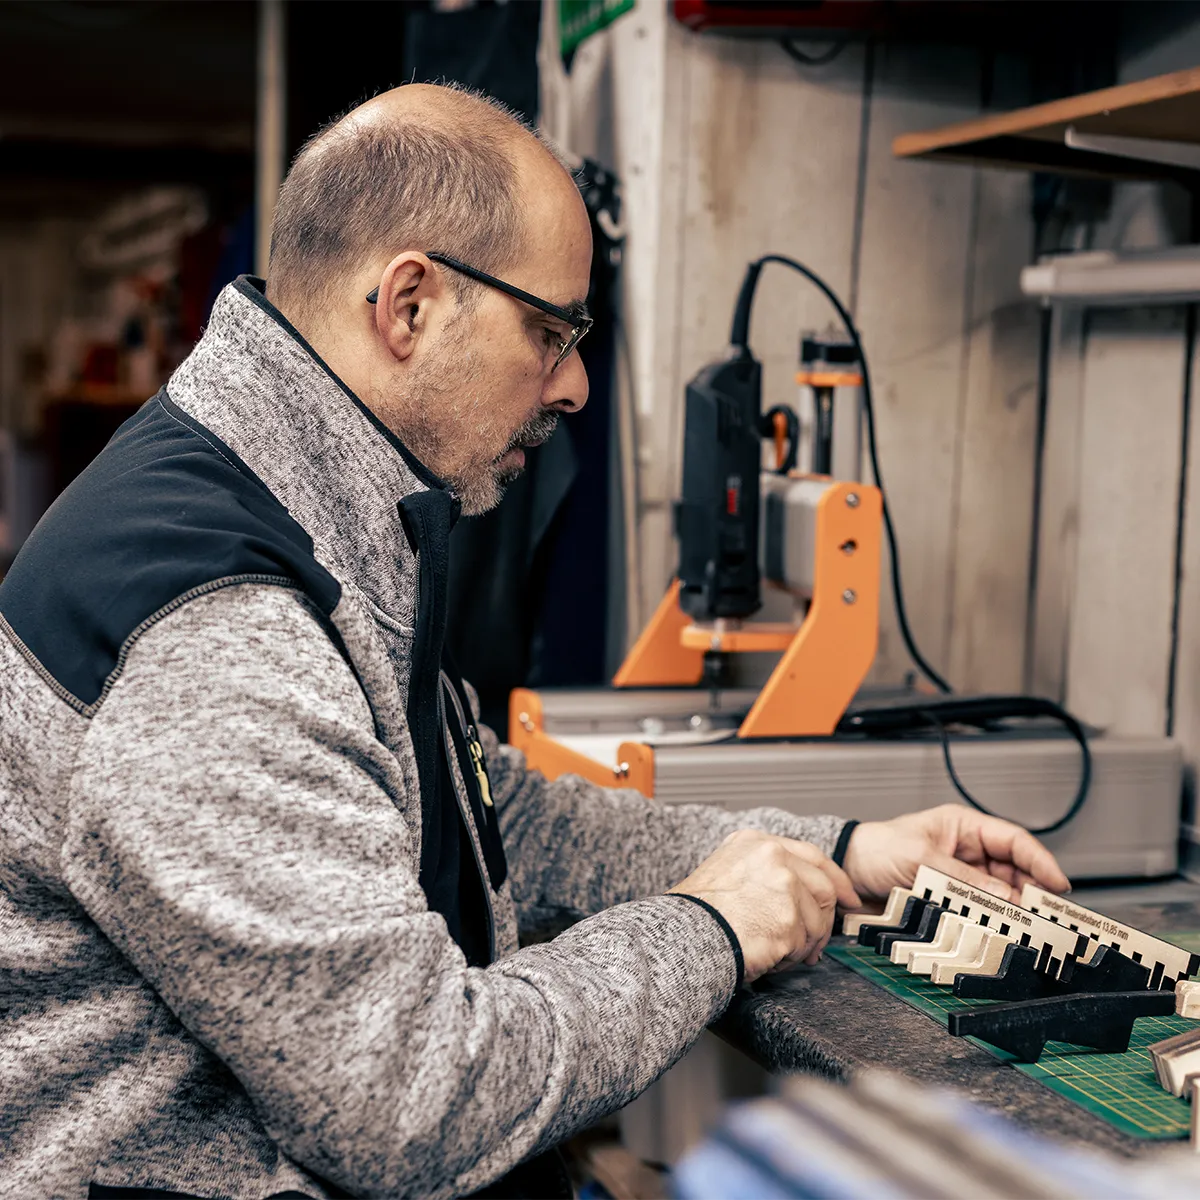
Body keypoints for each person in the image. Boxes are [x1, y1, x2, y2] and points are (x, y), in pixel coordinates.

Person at [0, 84, 1069, 1200]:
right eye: (549, 332)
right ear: (407, 306)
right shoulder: (221, 626)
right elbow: (413, 1104)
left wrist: (838, 855)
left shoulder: (303, 502)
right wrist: (712, 928)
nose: (574, 383)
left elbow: (493, 813)